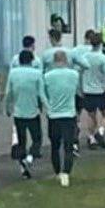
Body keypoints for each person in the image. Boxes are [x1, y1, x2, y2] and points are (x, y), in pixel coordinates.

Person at [5, 49, 44, 179]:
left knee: (21, 142)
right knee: (37, 139)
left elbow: (8, 93)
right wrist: (46, 107)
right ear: (31, 61)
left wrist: (7, 107)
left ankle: (23, 169)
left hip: (19, 113)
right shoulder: (37, 74)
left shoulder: (13, 73)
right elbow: (41, 94)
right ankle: (30, 157)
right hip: (32, 112)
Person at [43, 50, 80, 187]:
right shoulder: (74, 75)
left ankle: (57, 171)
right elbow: (77, 90)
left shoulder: (47, 76)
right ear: (66, 60)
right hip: (69, 114)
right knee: (68, 146)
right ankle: (66, 172)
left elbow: (45, 94)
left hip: (53, 115)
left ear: (54, 61)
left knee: (55, 146)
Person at [81, 33, 105, 150]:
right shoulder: (103, 58)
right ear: (101, 44)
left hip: (88, 90)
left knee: (91, 115)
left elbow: (81, 72)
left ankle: (91, 138)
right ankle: (100, 131)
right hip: (100, 90)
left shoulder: (84, 57)